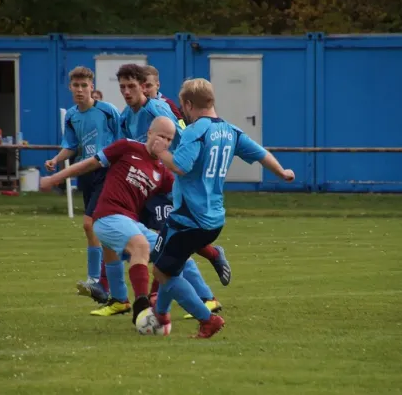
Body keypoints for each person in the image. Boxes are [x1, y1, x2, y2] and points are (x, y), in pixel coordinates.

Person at [149, 78, 296, 339]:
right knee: (170, 265)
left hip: (189, 218)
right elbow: (261, 154)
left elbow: (180, 166)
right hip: (213, 219)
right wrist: (282, 172)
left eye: (183, 106)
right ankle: (160, 315)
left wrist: (160, 151)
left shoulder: (196, 130)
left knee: (162, 271)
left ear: (188, 104)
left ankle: (208, 320)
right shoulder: (231, 131)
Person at [40, 117, 218, 324]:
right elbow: (88, 164)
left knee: (175, 254)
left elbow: (186, 194)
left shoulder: (162, 171)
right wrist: (55, 178)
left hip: (131, 222)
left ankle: (204, 313)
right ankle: (141, 308)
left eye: (169, 139)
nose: (165, 142)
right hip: (107, 216)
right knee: (140, 245)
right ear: (149, 133)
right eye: (161, 135)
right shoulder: (126, 147)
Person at [117, 64, 232, 296]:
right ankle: (118, 294)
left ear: (152, 86)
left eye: (142, 85)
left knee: (169, 242)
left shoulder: (161, 108)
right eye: (123, 87)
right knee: (139, 239)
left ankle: (196, 298)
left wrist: (179, 164)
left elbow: (184, 136)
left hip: (167, 183)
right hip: (145, 183)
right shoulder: (126, 116)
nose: (131, 91)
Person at [44, 66, 121, 299]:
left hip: (106, 172)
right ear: (70, 88)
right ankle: (103, 280)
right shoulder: (71, 115)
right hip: (85, 173)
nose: (79, 90)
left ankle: (96, 279)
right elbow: (71, 145)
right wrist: (56, 159)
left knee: (90, 224)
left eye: (84, 86)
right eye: (75, 86)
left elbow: (121, 141)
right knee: (97, 229)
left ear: (92, 87)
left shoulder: (109, 111)